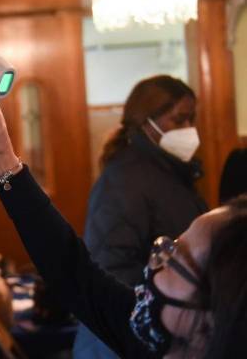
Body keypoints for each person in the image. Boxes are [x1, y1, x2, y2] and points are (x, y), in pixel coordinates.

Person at [0, 79, 247, 358]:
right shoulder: (148, 330)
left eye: (175, 256)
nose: (155, 263)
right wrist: (2, 162)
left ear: (213, 304)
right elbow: (72, 269)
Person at [76, 75, 208, 358]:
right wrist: (178, 288)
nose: (189, 129)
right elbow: (109, 269)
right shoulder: (124, 180)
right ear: (147, 124)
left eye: (191, 120)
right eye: (179, 120)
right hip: (123, 342)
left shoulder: (171, 174)